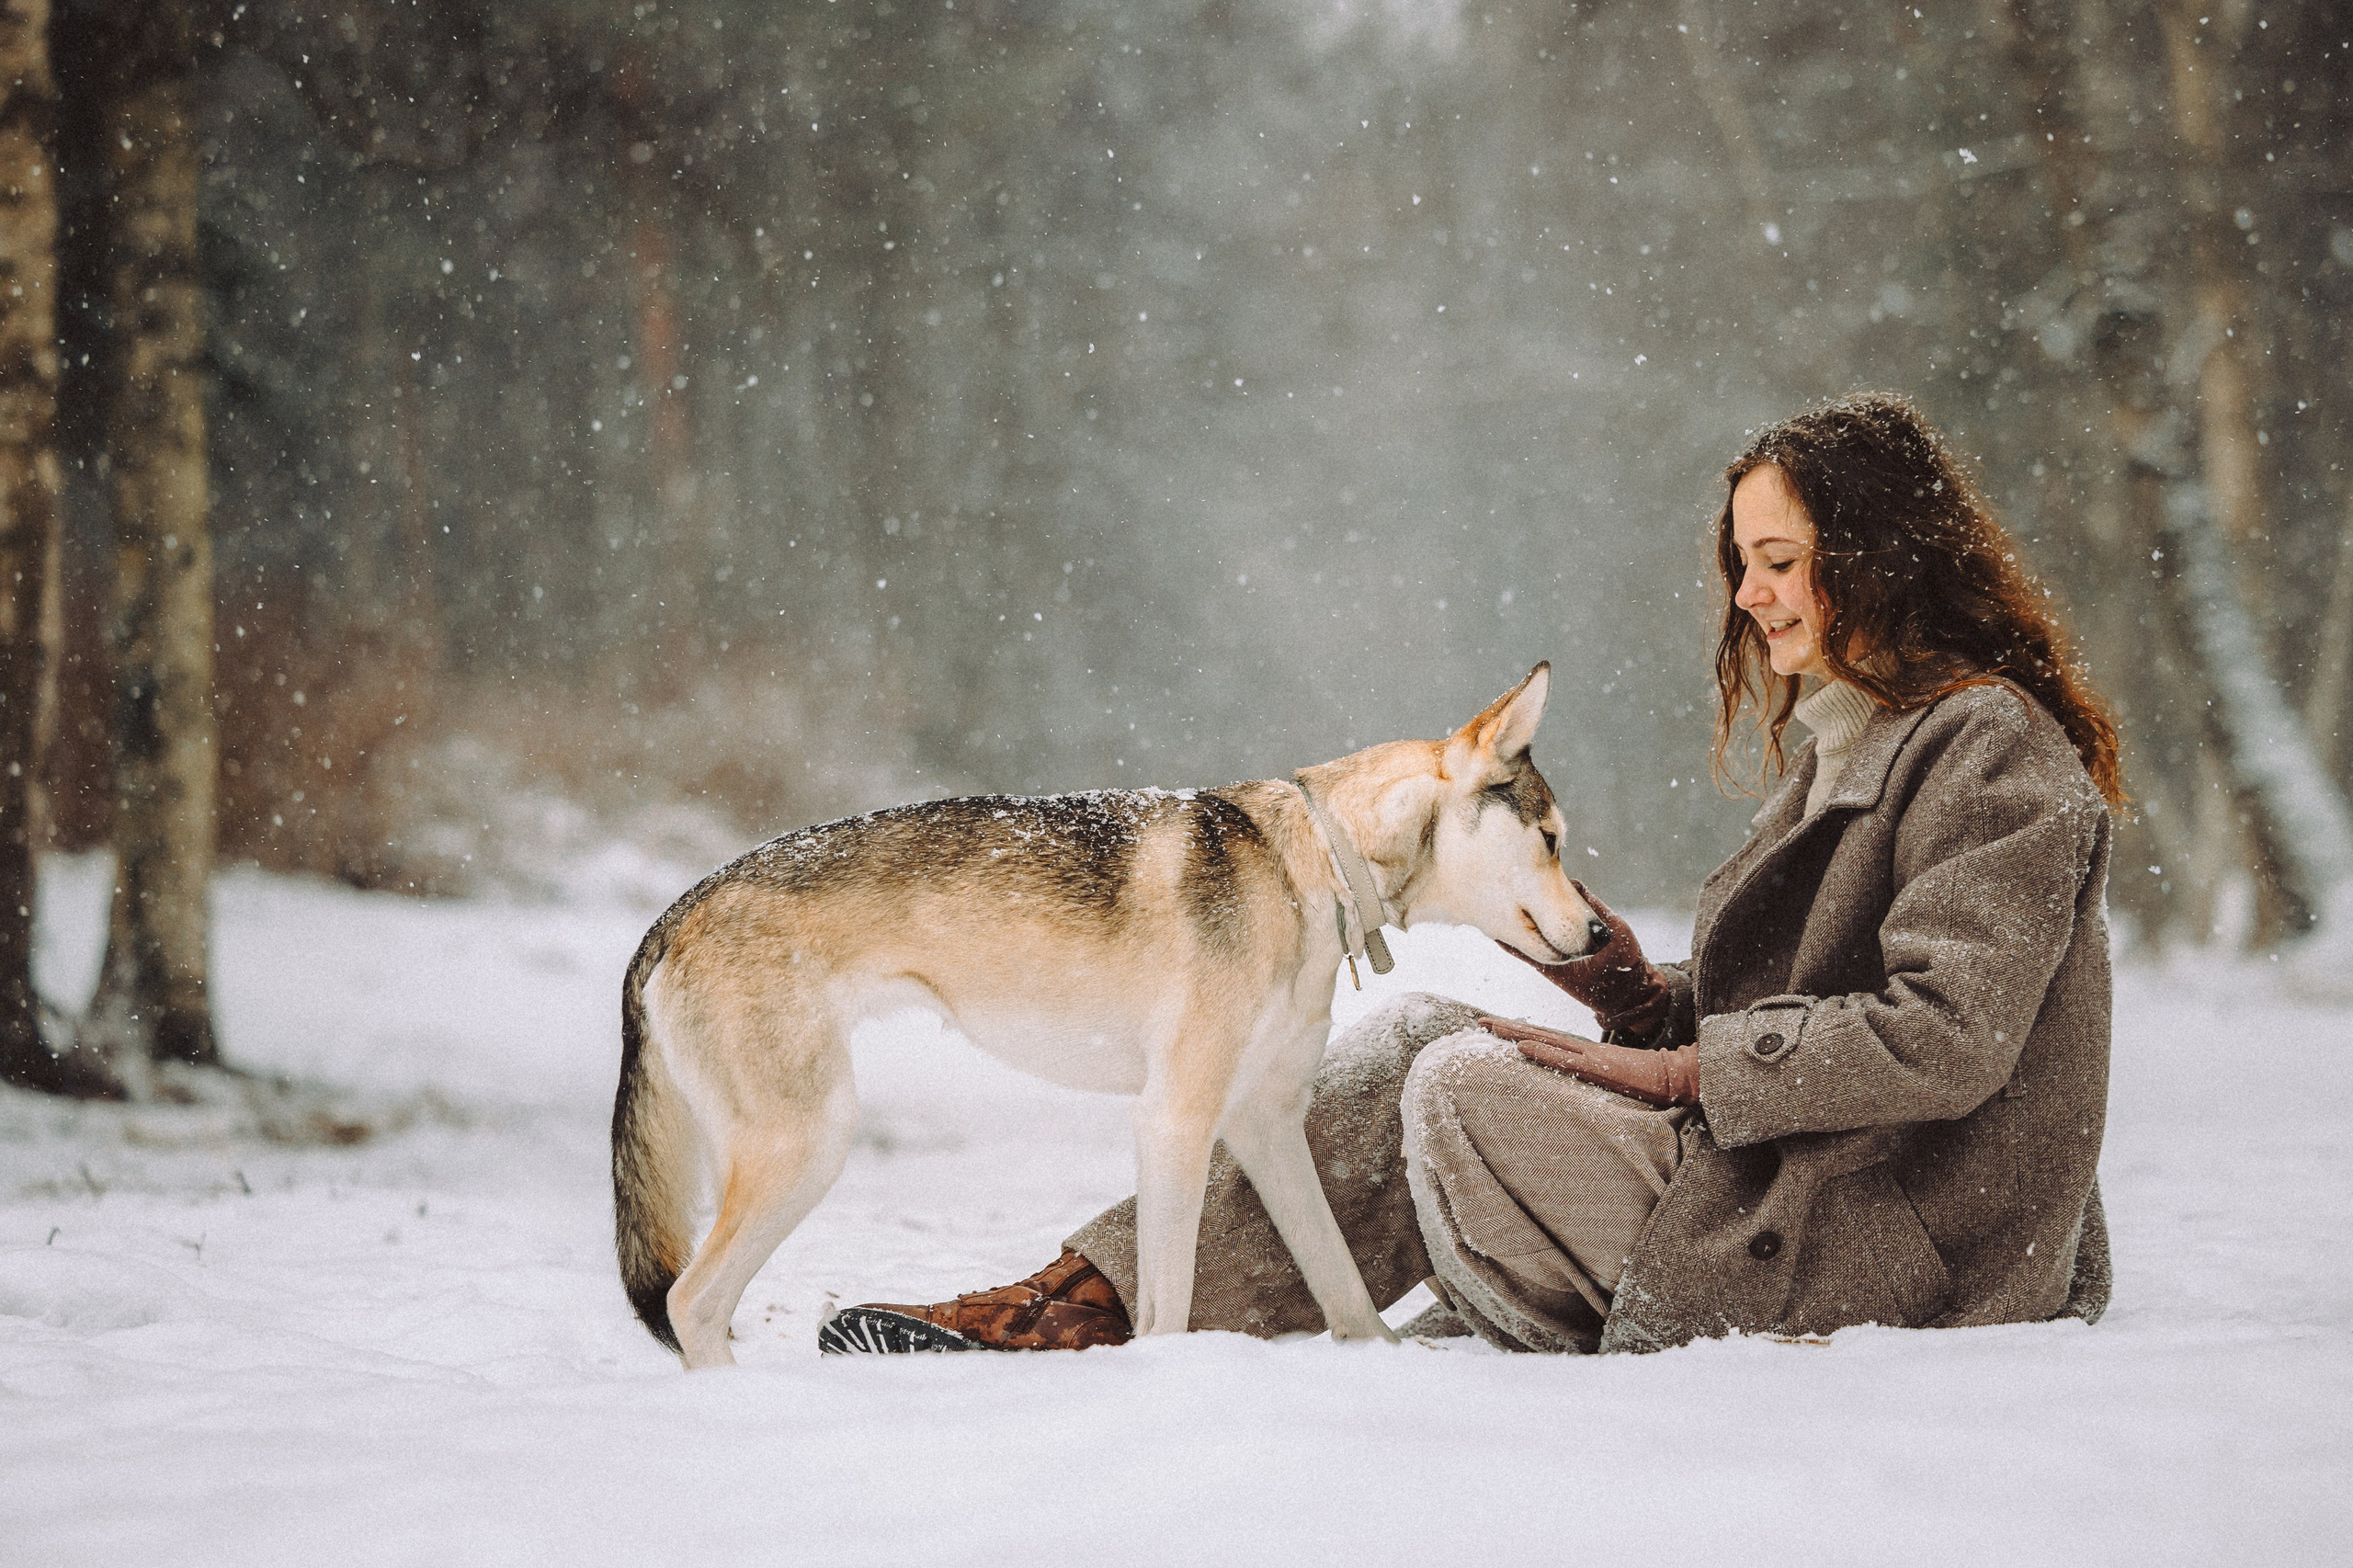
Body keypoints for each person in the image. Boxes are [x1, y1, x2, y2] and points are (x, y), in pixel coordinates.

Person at [820, 391, 2120, 1356]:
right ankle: (1087, 1299)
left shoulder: (1991, 749)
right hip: (1782, 1175)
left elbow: (1946, 1038)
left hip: (1889, 1238)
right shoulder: (1856, 737)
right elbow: (1804, 1009)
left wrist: (1685, 1069)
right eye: (1743, 565)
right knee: (1418, 1035)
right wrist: (1644, 999)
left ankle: (1180, 1306)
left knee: (1453, 1083)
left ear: (1885, 554)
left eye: (1780, 563)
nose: (1749, 596)